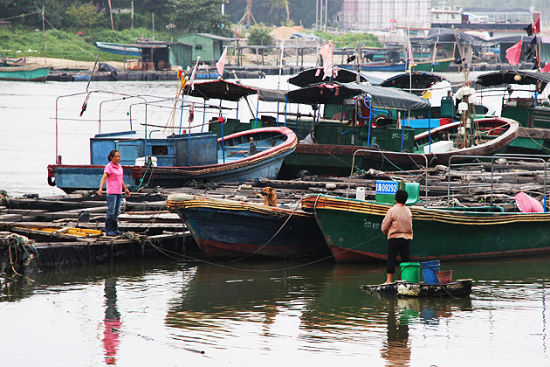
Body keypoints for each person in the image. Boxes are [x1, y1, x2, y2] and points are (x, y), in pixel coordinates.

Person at [381, 189, 413, 284]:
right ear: (406, 200)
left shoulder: (392, 210)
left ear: (395, 200)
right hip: (406, 239)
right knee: (405, 260)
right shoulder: (408, 211)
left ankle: (389, 280)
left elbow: (385, 225)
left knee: (391, 259)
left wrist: (385, 231)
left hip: (394, 238)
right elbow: (409, 226)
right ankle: (406, 279)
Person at [98, 150, 131, 236]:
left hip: (119, 192)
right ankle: (109, 230)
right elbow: (104, 177)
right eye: (116, 157)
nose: (118, 158)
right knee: (111, 211)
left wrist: (126, 189)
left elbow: (121, 180)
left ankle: (115, 229)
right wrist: (100, 188)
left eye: (119, 156)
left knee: (116, 212)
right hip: (112, 192)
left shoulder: (120, 167)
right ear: (112, 157)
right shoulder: (109, 167)